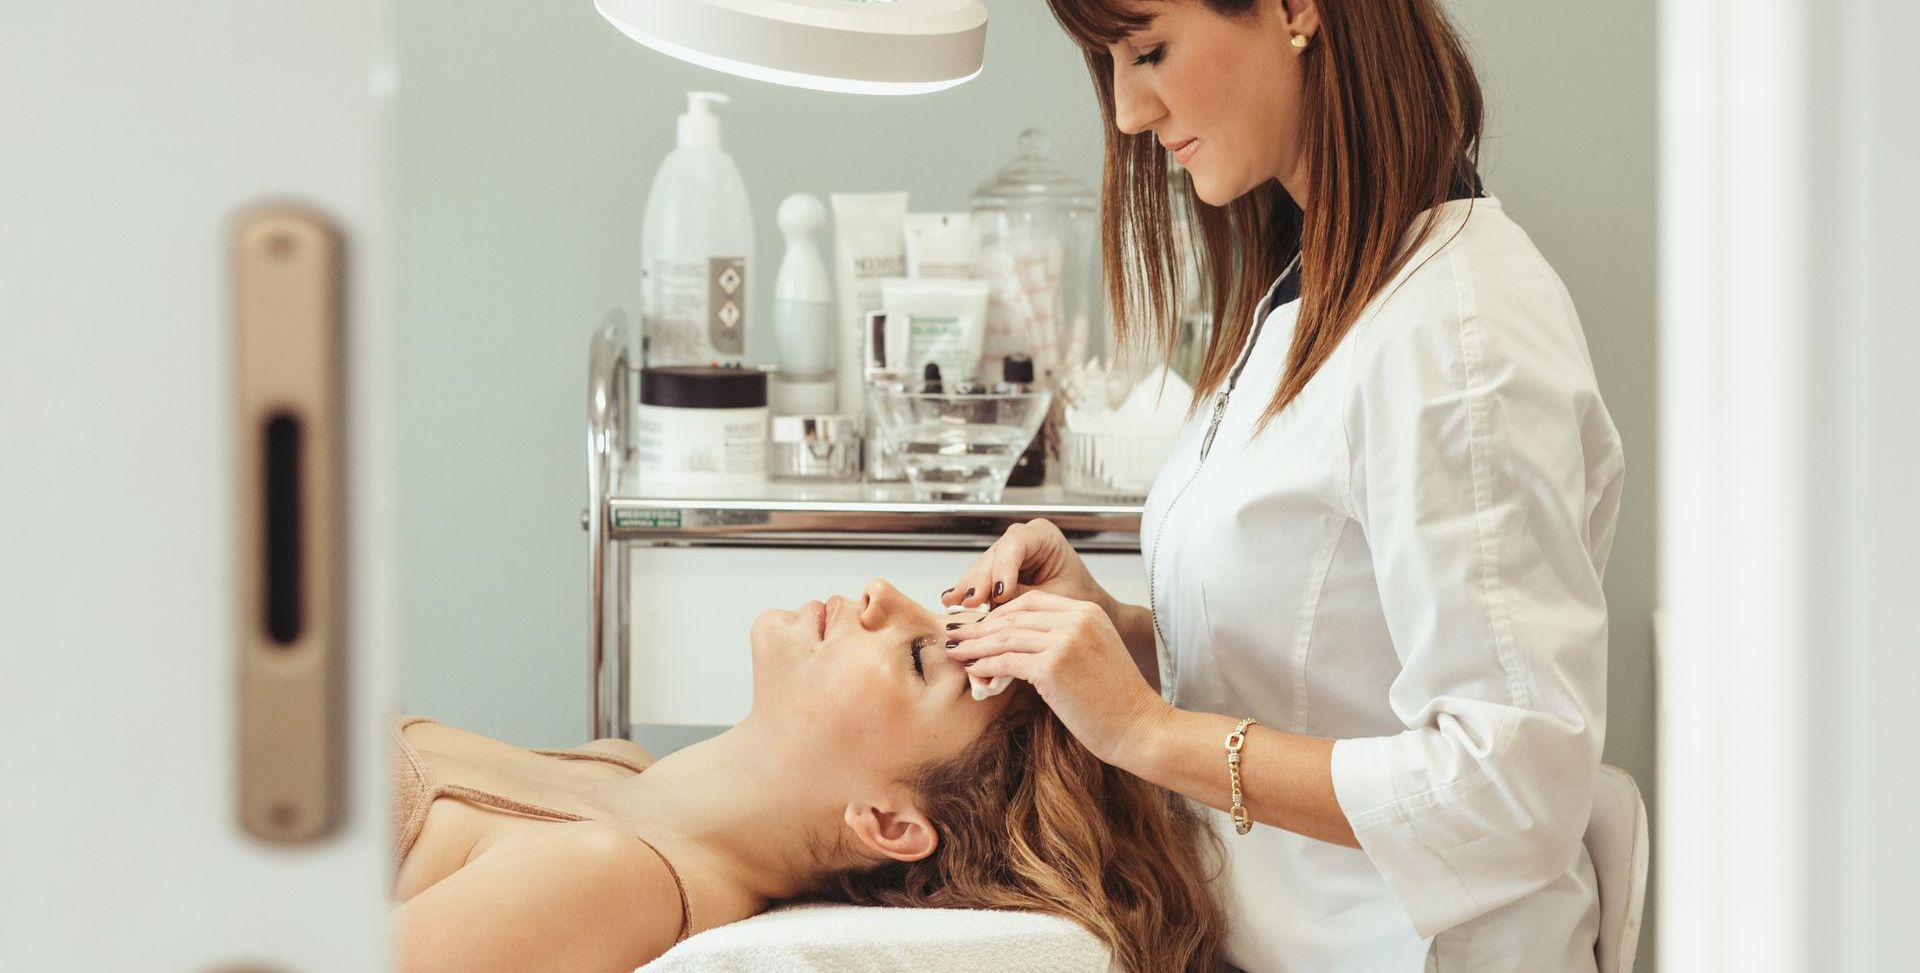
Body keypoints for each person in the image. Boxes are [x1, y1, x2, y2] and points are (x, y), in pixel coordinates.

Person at [942, 1, 1627, 970]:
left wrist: (1147, 731)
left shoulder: (1460, 335)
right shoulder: (1313, 288)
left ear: (1297, 10)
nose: (1131, 112)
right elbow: (1332, 652)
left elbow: (1511, 790)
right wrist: (1116, 635)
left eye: (1149, 51)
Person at [390, 580, 1227, 973]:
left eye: (917, 653)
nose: (880, 596)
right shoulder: (626, 771)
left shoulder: (610, 877)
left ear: (888, 822)